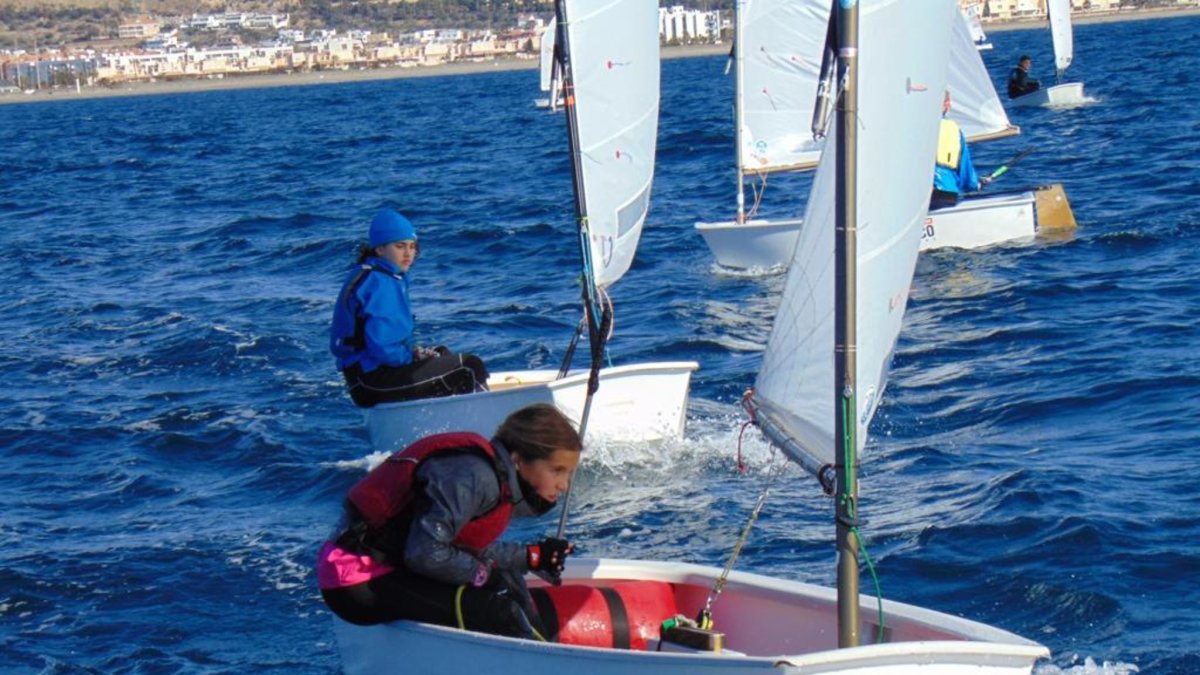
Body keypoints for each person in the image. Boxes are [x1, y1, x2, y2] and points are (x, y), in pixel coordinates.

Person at [316, 403, 582, 640]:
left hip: (394, 567)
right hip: (357, 579)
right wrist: (483, 575)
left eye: (568, 473)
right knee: (500, 611)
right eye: (557, 470)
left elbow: (460, 547)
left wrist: (532, 557)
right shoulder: (473, 477)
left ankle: (545, 650)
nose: (564, 485)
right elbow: (424, 552)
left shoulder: (495, 479)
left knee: (509, 579)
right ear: (518, 460)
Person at [331, 208, 489, 407]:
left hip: (365, 378)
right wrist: (411, 356)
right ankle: (485, 427)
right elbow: (384, 349)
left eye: (412, 246)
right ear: (380, 249)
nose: (408, 254)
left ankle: (445, 426)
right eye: (400, 246)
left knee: (443, 355)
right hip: (372, 381)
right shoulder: (381, 283)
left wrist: (416, 355)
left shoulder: (376, 275)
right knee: (469, 367)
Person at [931, 91, 989, 209]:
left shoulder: (909, 126)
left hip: (914, 194)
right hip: (946, 192)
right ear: (946, 104)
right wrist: (976, 185)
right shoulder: (953, 130)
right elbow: (966, 173)